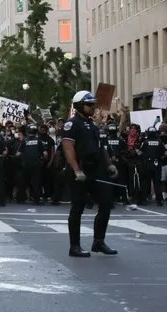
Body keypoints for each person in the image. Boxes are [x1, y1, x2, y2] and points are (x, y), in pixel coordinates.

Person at [62, 91, 118, 257]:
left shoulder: (93, 126)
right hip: (80, 170)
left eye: (93, 104)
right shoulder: (72, 125)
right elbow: (68, 148)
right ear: (79, 105)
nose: (93, 107)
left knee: (106, 203)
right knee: (77, 208)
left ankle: (98, 241)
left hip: (97, 170)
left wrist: (109, 165)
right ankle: (75, 246)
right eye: (89, 104)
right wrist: (76, 170)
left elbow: (101, 148)